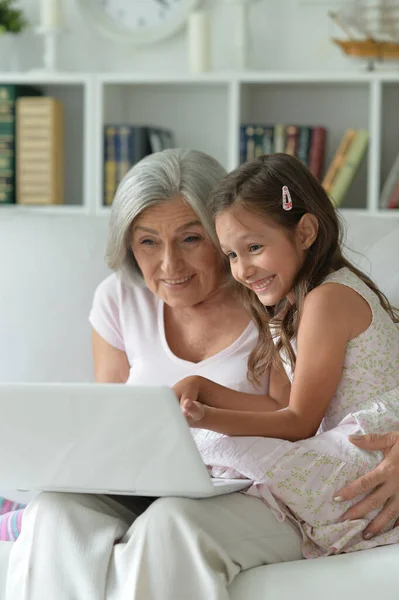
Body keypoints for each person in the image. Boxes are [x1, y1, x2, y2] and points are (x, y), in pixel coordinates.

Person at [5, 149, 399, 600]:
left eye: (191, 239)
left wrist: (201, 412)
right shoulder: (124, 298)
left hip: (235, 488)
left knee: (172, 523)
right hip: (142, 476)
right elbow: (106, 420)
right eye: (148, 241)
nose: (170, 265)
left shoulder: (274, 299)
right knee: (52, 512)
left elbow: (300, 416)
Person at [173, 152, 399, 558]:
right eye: (232, 255)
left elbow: (298, 423)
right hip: (351, 440)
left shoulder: (328, 300)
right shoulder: (295, 304)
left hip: (370, 449)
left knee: (212, 446)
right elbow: (280, 405)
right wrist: (203, 388)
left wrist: (209, 418)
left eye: (254, 247)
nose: (242, 270)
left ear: (306, 231)